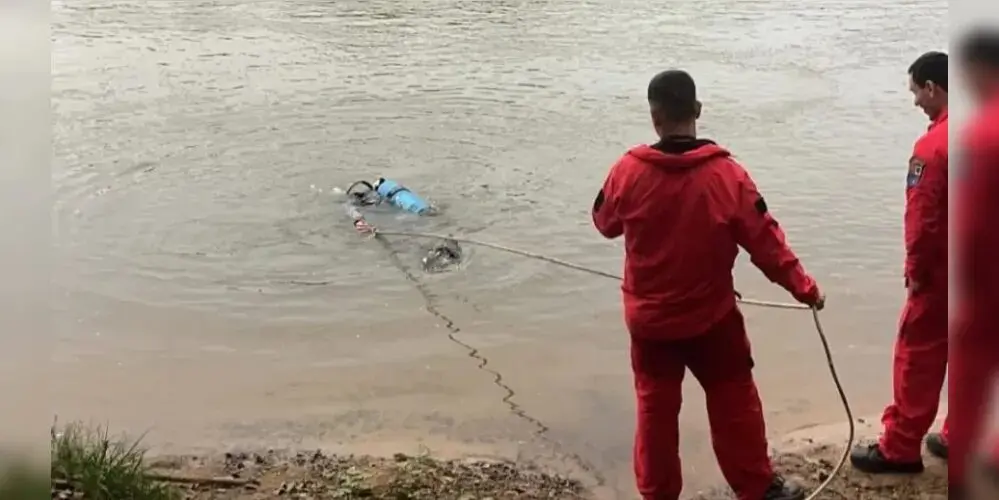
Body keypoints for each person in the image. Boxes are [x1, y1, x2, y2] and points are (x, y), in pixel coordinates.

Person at [592, 69, 825, 500]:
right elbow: (767, 244)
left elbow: (604, 224)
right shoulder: (728, 176)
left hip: (650, 325)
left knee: (655, 410)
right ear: (697, 110)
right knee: (734, 400)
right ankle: (756, 488)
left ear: (654, 116)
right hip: (713, 321)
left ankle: (657, 494)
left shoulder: (627, 171)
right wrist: (806, 289)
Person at [849, 51, 950, 474]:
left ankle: (901, 447)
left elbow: (922, 222)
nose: (915, 103)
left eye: (916, 92)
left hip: (945, 272)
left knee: (918, 354)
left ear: (933, 88)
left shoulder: (932, 148)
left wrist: (915, 272)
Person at [949, 27, 999, 498]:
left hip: (987, 293)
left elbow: (972, 228)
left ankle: (960, 474)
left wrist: (961, 291)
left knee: (966, 389)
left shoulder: (983, 134)